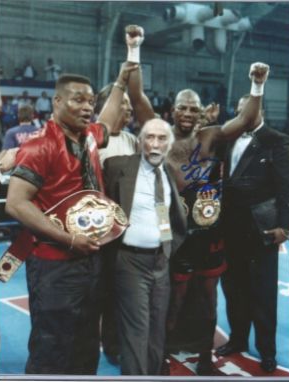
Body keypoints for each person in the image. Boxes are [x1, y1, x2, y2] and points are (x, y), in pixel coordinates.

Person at [123, 24, 270, 375]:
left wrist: (257, 84)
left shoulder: (211, 137)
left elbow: (249, 117)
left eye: (193, 109)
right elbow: (137, 96)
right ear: (173, 110)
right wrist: (134, 49)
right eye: (182, 108)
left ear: (200, 111)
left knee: (207, 302)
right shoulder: (162, 137)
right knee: (171, 303)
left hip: (211, 233)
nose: (187, 114)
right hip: (176, 233)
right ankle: (160, 356)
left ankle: (205, 357)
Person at [4, 61, 137, 375]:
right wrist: (69, 238)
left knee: (86, 341)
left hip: (91, 259)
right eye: (78, 99)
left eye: (90, 101)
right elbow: (16, 204)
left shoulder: (90, 135)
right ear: (57, 102)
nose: (87, 107)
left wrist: (119, 81)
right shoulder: (39, 147)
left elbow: (108, 117)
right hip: (54, 263)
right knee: (52, 346)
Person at [216, 95, 289, 373]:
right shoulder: (227, 138)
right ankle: (237, 340)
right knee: (233, 288)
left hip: (262, 228)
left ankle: (267, 351)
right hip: (230, 227)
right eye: (238, 112)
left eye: (247, 112)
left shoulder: (277, 139)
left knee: (262, 295)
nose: (242, 117)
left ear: (259, 111)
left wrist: (286, 226)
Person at [103, 118, 187, 375]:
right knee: (136, 331)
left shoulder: (169, 173)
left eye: (162, 138)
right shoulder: (117, 166)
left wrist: (167, 248)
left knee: (157, 328)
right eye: (149, 137)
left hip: (161, 262)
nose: (155, 143)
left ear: (169, 145)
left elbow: (166, 215)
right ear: (139, 141)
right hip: (130, 262)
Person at [93, 82, 138, 366]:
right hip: (102, 230)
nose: (129, 109)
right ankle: (109, 342)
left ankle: (122, 339)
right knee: (106, 289)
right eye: (123, 104)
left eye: (130, 105)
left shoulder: (134, 140)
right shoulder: (93, 141)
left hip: (132, 229)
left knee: (126, 289)